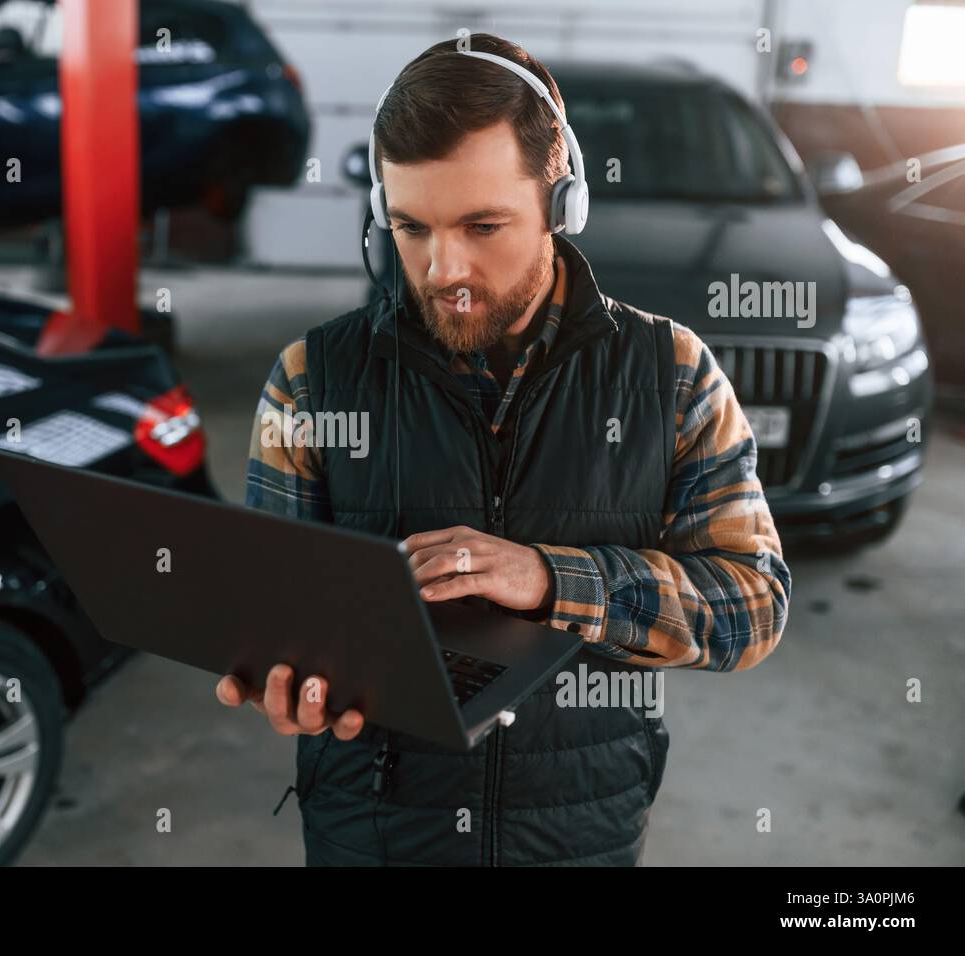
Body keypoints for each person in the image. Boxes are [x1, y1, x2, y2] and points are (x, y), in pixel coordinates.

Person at [217, 33, 790, 866]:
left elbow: (751, 607)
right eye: (411, 228)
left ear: (563, 206)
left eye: (484, 225)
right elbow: (277, 604)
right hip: (371, 830)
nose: (445, 268)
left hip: (581, 829)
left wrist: (552, 577)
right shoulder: (311, 380)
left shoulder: (672, 375)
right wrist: (285, 676)